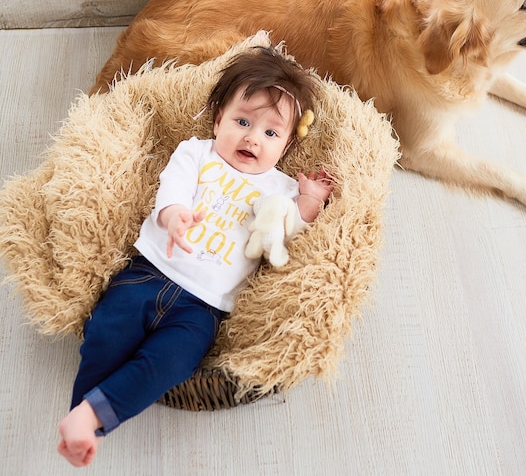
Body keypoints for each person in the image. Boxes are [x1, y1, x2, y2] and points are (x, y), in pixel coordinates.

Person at [57, 43, 334, 467]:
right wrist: (173, 217)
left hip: (202, 308)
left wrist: (310, 200)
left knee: (171, 363)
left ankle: (90, 418)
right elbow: (172, 188)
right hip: (148, 272)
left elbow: (290, 229)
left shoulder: (281, 189)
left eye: (270, 132)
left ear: (285, 148)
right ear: (218, 115)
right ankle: (84, 415)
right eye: (242, 120)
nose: (251, 137)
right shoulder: (197, 153)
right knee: (105, 333)